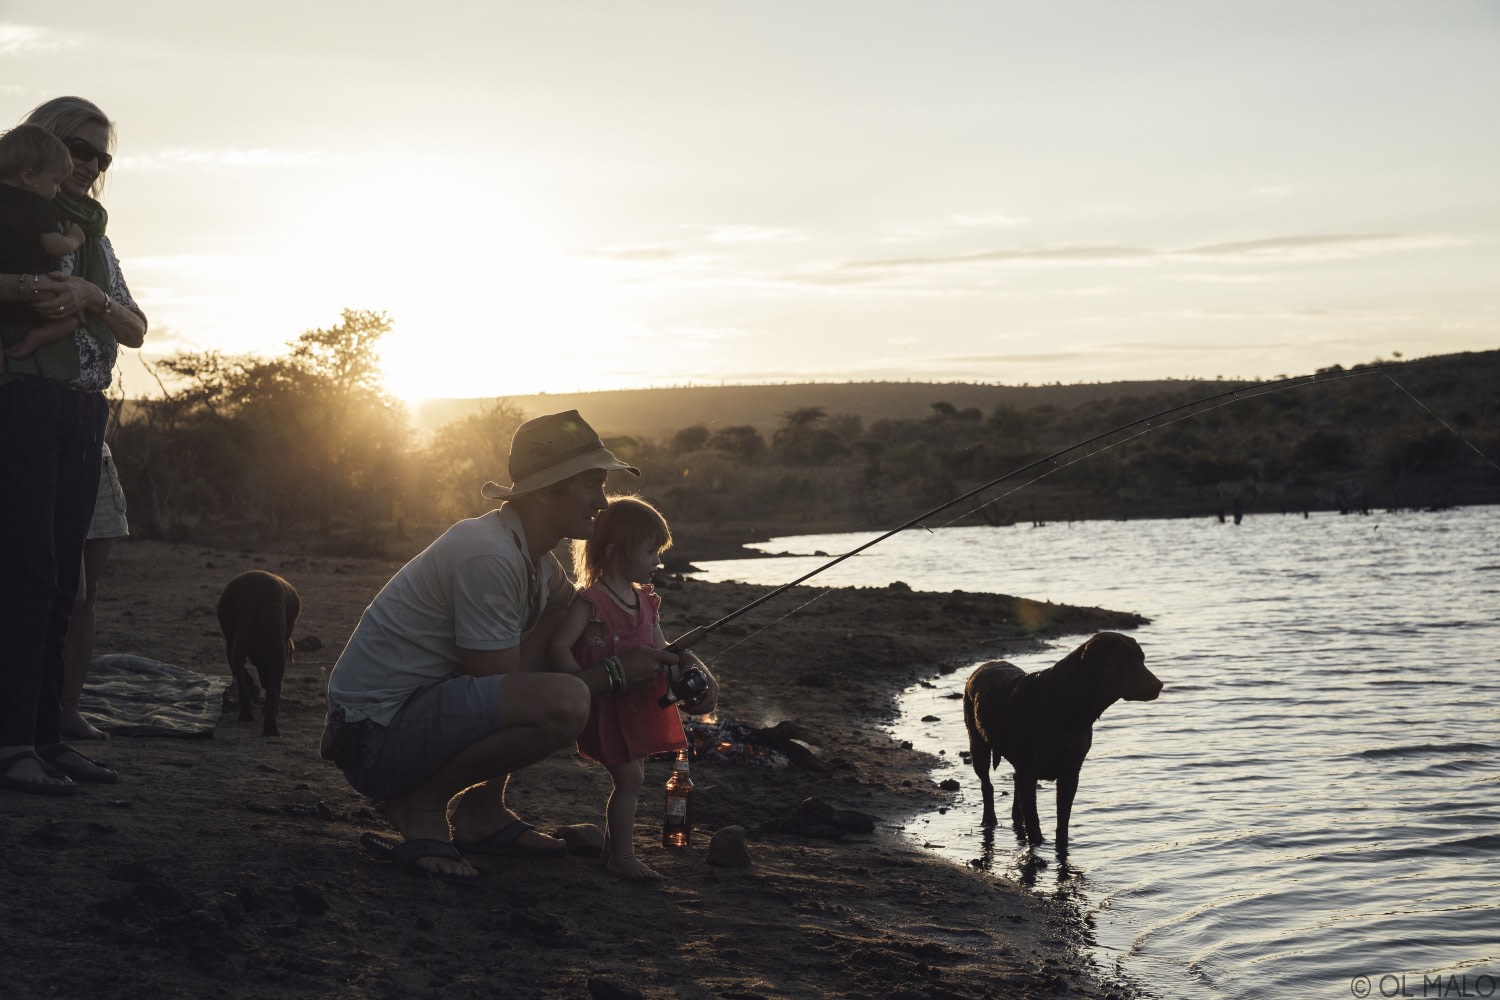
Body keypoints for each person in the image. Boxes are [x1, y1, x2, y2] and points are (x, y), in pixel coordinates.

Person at [323, 411, 717, 882]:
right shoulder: (489, 554)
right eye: (592, 484)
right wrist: (613, 676)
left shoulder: (533, 560)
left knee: (561, 625)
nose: (602, 501)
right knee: (567, 700)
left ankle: (482, 811)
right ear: (548, 490)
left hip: (412, 716)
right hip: (374, 737)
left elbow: (596, 624)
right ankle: (421, 806)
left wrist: (676, 661)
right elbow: (500, 685)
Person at [0, 97, 147, 795]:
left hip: (83, 412)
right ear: (40, 149)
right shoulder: (11, 215)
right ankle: (12, 744)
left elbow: (135, 325)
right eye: (75, 150)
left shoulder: (94, 234)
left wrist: (90, 295)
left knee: (62, 583)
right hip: (21, 403)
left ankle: (48, 736)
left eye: (99, 156)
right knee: (26, 574)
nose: (87, 165)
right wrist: (37, 287)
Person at [550, 495, 688, 881]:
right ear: (614, 551)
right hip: (607, 706)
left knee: (634, 775)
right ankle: (623, 857)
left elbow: (662, 650)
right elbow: (559, 645)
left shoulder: (645, 601)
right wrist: (580, 686)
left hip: (638, 706)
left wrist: (687, 670)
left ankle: (612, 851)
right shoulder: (591, 602)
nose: (657, 561)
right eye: (650, 552)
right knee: (631, 779)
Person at [0, 124, 88, 363]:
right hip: (37, 294)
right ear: (29, 176)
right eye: (56, 182)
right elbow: (54, 246)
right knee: (77, 314)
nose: (58, 189)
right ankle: (37, 337)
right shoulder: (41, 207)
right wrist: (74, 239)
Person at [60, 442, 130, 741]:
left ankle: (68, 708)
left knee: (88, 596)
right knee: (68, 596)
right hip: (45, 457)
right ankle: (35, 706)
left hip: (97, 460)